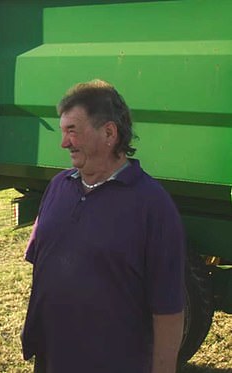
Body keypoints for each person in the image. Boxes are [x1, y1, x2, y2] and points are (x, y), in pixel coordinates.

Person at [20, 80, 185, 373]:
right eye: (63, 131)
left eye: (73, 131)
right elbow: (42, 265)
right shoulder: (59, 186)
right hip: (52, 359)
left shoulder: (153, 205)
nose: (64, 142)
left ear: (109, 133)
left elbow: (168, 308)